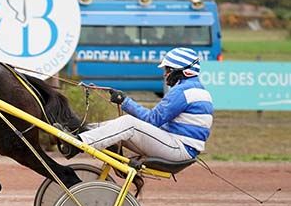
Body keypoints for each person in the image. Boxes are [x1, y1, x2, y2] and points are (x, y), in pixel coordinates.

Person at [70, 47, 214, 161]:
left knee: (128, 123)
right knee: (117, 125)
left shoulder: (183, 91)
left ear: (182, 72)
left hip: (179, 149)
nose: (165, 74)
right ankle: (81, 131)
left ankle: (78, 143)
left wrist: (124, 101)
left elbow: (152, 120)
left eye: (168, 70)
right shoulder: (196, 89)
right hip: (179, 146)